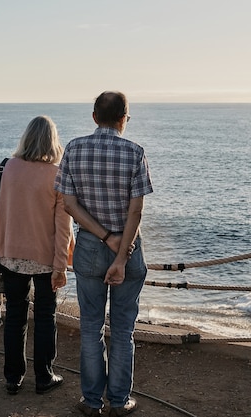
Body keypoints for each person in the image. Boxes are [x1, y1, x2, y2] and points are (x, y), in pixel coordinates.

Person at [55, 91, 153, 416]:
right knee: (123, 330)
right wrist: (122, 255)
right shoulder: (135, 153)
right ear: (124, 118)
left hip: (88, 249)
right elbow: (136, 213)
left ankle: (92, 401)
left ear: (94, 116)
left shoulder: (73, 149)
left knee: (90, 327)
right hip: (127, 249)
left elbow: (69, 204)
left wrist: (104, 236)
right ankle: (120, 402)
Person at [0, 115, 73, 396]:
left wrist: (7, 234)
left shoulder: (5, 168)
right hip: (46, 260)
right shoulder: (58, 175)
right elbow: (63, 228)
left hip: (9, 257)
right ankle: (44, 377)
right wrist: (61, 267)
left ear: (26, 138)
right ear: (53, 141)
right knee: (45, 316)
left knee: (16, 316)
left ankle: (13, 378)